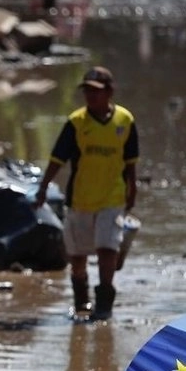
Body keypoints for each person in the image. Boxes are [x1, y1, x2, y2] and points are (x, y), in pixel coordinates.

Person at [34, 66, 139, 320]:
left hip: (111, 198)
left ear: (110, 92)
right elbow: (57, 159)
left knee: (107, 249)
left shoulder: (125, 121)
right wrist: (43, 186)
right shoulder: (76, 123)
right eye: (87, 92)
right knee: (78, 257)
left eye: (96, 92)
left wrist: (131, 188)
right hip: (80, 199)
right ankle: (82, 302)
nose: (91, 97)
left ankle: (104, 307)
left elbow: (130, 161)